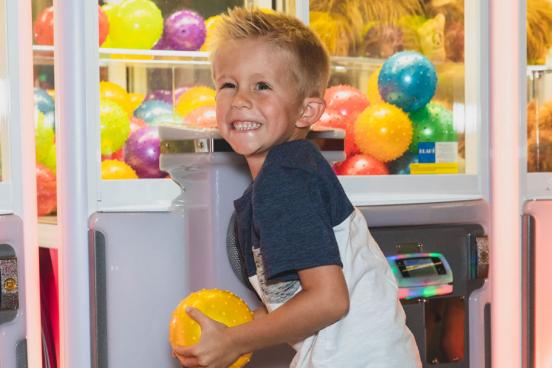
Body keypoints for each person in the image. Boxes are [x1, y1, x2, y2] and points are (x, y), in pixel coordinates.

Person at [173, 7, 422, 368]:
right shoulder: (287, 173)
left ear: (306, 112)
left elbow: (329, 301)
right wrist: (248, 323)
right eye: (228, 84)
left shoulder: (284, 178)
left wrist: (233, 340)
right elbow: (307, 295)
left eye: (262, 86)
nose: (240, 99)